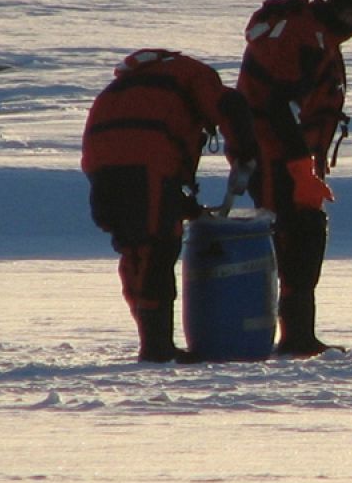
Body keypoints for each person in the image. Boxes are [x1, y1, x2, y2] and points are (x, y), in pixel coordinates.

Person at [81, 49, 258, 362]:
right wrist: (245, 152)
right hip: (146, 165)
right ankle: (156, 347)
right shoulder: (194, 74)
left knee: (135, 248)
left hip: (102, 168)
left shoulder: (126, 87)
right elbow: (230, 105)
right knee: (157, 248)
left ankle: (152, 338)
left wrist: (181, 204)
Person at [237, 0, 352, 356]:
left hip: (286, 155)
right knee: (296, 235)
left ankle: (297, 334)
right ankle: (293, 338)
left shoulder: (311, 33)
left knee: (302, 234)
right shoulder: (305, 37)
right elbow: (277, 106)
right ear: (349, 13)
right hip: (276, 156)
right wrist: (301, 169)